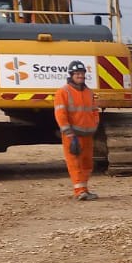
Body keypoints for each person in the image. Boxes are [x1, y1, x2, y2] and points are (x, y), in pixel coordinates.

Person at [53, 60, 99, 201]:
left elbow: (94, 111)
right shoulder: (63, 92)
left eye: (82, 73)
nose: (80, 76)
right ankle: (79, 190)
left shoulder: (89, 92)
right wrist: (69, 134)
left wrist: (94, 125)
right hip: (73, 135)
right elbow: (60, 114)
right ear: (71, 75)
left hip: (87, 134)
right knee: (75, 163)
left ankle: (84, 189)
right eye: (77, 74)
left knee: (87, 164)